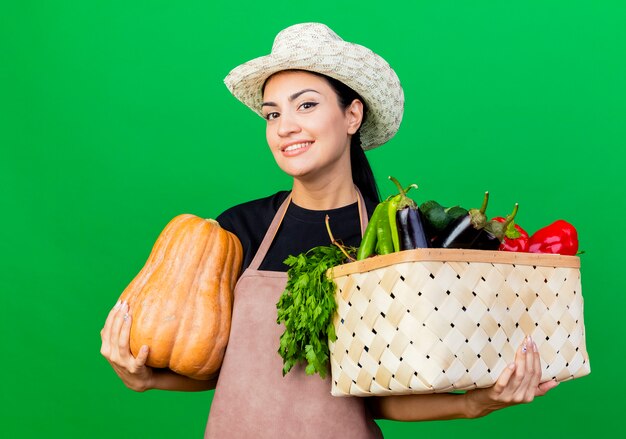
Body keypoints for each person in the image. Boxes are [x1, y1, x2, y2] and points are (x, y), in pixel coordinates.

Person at [100, 23, 559, 438]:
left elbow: (384, 395)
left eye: (306, 105)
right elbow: (221, 362)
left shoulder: (396, 238)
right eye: (273, 114)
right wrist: (148, 377)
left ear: (352, 116)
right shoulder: (236, 230)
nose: (286, 127)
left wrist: (478, 403)